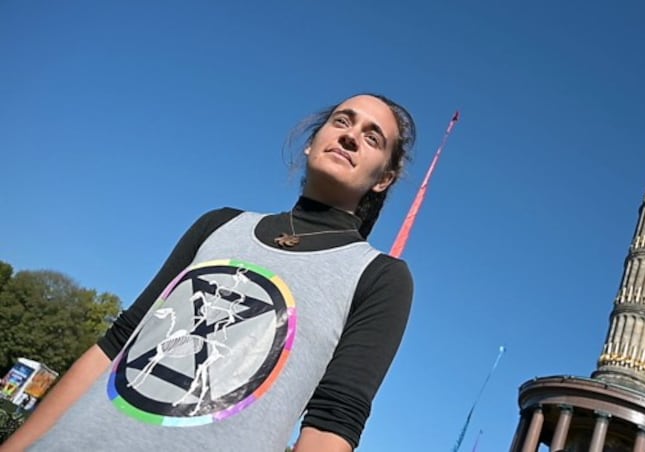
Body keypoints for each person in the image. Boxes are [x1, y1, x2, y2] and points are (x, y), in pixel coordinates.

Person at [1, 93, 416, 452]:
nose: (350, 135)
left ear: (384, 179)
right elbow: (116, 344)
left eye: (371, 137)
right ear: (311, 144)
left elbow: (331, 424)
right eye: (342, 120)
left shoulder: (379, 277)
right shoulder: (218, 225)